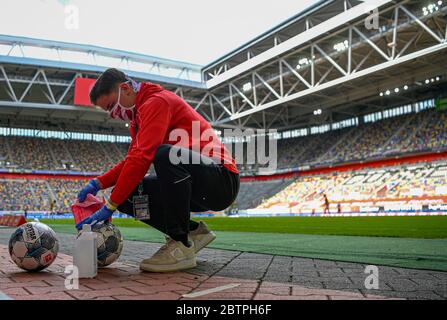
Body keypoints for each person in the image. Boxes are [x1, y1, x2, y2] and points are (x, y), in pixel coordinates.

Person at [76, 68, 240, 272]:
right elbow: (132, 159)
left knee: (164, 155)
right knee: (129, 196)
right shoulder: (139, 117)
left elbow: (142, 157)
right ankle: (194, 233)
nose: (113, 114)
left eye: (111, 106)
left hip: (221, 179)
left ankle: (181, 244)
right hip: (194, 180)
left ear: (125, 89)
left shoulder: (156, 102)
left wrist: (109, 205)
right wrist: (98, 183)